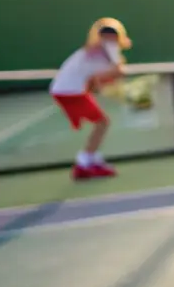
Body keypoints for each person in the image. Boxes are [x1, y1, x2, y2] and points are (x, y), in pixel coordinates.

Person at [49, 17, 131, 179]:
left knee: (101, 123)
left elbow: (94, 79)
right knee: (102, 123)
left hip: (65, 91)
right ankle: (84, 164)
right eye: (108, 35)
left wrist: (102, 85)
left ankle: (91, 160)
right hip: (70, 92)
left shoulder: (94, 49)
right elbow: (118, 71)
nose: (110, 38)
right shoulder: (108, 46)